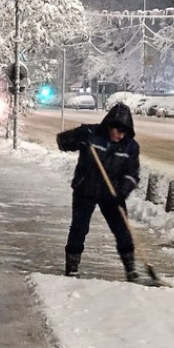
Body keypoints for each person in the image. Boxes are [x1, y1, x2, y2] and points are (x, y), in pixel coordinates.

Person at [56, 103, 140, 281]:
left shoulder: (130, 146)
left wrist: (122, 192)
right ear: (110, 125)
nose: (121, 135)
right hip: (85, 189)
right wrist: (75, 136)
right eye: (118, 131)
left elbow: (132, 174)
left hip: (112, 193)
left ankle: (131, 268)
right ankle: (72, 266)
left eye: (125, 132)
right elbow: (62, 142)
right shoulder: (91, 134)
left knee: (123, 229)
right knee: (79, 227)